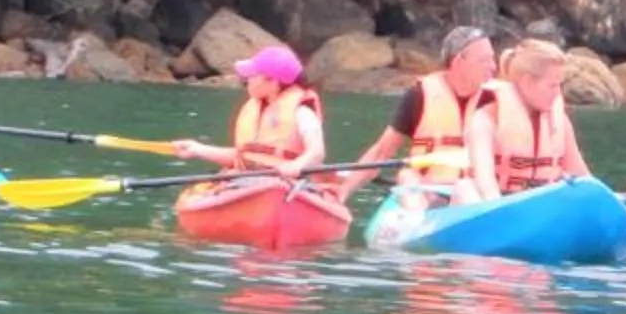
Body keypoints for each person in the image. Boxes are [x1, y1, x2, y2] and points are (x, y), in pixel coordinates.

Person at [348, 26, 497, 196]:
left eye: (492, 59)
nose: (493, 67)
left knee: (466, 189)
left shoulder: (495, 99)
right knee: (407, 176)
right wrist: (343, 192)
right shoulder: (419, 96)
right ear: (458, 62)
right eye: (484, 60)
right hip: (428, 192)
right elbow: (381, 152)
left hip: (477, 193)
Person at [174, 42, 325, 177]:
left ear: (273, 81)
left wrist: (298, 165)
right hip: (247, 181)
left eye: (253, 75)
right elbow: (240, 158)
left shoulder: (302, 113)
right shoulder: (256, 109)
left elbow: (317, 152)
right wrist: (197, 149)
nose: (248, 80)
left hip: (283, 183)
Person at [467, 38, 590, 200]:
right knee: (464, 189)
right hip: (500, 205)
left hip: (544, 206)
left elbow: (582, 179)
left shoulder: (560, 122)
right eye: (552, 86)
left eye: (559, 85)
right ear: (527, 81)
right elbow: (485, 184)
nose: (557, 94)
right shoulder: (484, 120)